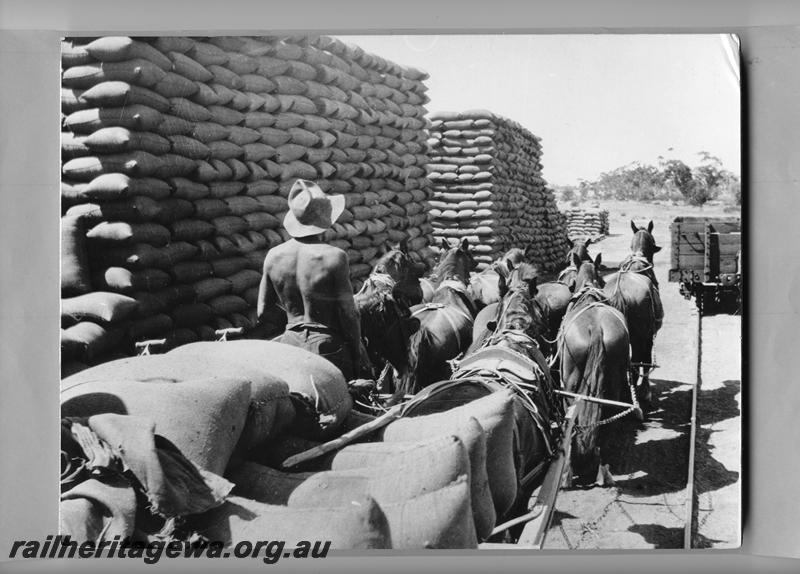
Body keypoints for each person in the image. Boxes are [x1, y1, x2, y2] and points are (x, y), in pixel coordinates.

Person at [257, 179, 364, 381]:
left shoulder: (273, 256)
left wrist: (295, 323)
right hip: (326, 347)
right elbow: (349, 314)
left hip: (289, 344)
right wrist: (357, 355)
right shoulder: (335, 257)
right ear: (326, 220)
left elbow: (263, 312)